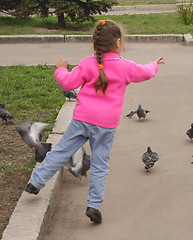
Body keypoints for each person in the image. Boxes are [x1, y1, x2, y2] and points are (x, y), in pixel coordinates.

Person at [24, 19, 164, 224]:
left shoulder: (87, 64)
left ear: (95, 43)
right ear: (118, 43)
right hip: (106, 126)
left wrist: (60, 69)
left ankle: (35, 183)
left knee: (61, 151)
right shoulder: (126, 67)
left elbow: (67, 82)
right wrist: (155, 64)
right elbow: (147, 72)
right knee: (100, 165)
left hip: (82, 120)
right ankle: (93, 206)